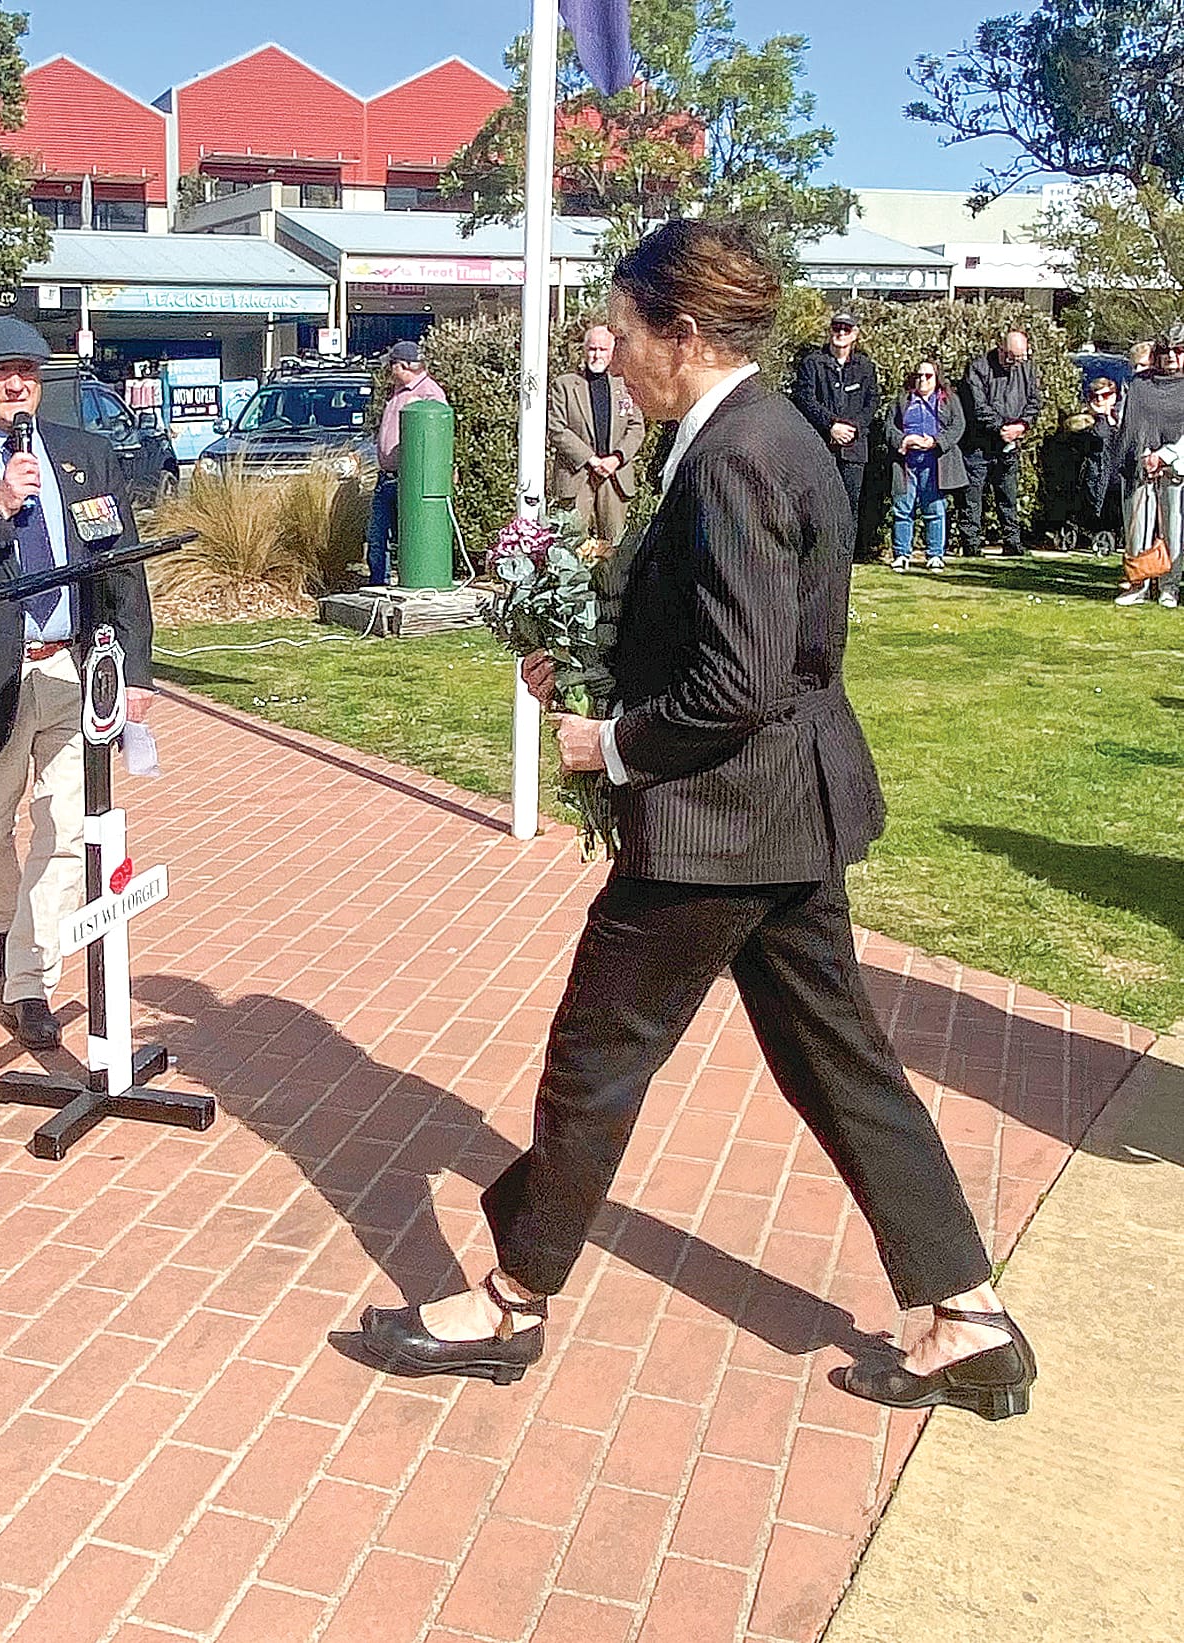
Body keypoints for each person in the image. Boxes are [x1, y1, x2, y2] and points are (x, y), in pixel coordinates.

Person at [356, 219, 1037, 1422]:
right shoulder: (753, 436)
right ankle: (966, 1314)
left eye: (621, 330)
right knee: (843, 1063)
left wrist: (609, 743)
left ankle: (511, 1300)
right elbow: (731, 639)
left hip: (718, 827)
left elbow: (738, 683)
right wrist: (595, 660)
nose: (608, 354)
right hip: (784, 814)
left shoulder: (733, 456)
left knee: (594, 1059)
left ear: (682, 330)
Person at [0, 316, 155, 1050]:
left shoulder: (86, 455)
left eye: (29, 372)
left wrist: (135, 671)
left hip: (74, 673)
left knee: (65, 831)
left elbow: (121, 570)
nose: (17, 384)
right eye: (1, 371)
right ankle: (1, 920)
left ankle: (29, 981)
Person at [547, 323, 647, 541]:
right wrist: (591, 459)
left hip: (615, 477)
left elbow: (636, 427)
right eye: (592, 349)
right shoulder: (564, 385)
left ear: (613, 351)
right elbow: (556, 429)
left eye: (602, 349)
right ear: (584, 350)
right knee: (570, 546)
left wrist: (616, 458)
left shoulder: (627, 385)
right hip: (577, 476)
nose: (597, 355)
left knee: (614, 548)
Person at [791, 310, 881, 555]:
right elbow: (805, 398)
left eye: (846, 329)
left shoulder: (865, 366)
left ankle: (844, 557)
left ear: (855, 334)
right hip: (822, 446)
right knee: (819, 504)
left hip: (853, 450)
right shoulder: (813, 363)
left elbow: (872, 402)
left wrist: (852, 429)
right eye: (836, 328)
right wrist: (831, 425)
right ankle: (818, 555)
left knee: (849, 505)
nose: (840, 333)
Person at [365, 340, 447, 586]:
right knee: (377, 536)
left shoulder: (430, 394)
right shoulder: (400, 392)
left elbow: (434, 438)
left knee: (407, 535)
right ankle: (378, 583)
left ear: (402, 366)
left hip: (407, 478)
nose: (390, 372)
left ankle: (409, 582)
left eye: (392, 366)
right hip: (386, 477)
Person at [1115, 323, 1184, 607]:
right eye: (1165, 350)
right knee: (1137, 528)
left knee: (1174, 529)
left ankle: (1169, 586)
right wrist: (1144, 455)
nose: (1170, 356)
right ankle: (1137, 584)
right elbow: (1132, 425)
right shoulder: (1142, 385)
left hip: (1176, 468)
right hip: (1141, 466)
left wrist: (1166, 456)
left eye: (1177, 350)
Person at [959, 329, 1041, 557]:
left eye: (1021, 357)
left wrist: (1022, 425)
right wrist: (1001, 428)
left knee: (1008, 495)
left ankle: (1012, 542)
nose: (1016, 363)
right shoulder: (978, 368)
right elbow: (978, 406)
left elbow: (1035, 401)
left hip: (1010, 444)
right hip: (979, 444)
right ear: (1001, 349)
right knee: (972, 497)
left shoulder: (1027, 368)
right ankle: (971, 545)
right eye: (1013, 357)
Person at [888, 359, 966, 572]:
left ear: (937, 378)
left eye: (928, 376)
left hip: (935, 462)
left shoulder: (948, 400)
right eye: (919, 375)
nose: (922, 379)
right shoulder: (902, 400)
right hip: (906, 463)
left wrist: (936, 442)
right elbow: (889, 428)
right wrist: (904, 440)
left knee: (935, 508)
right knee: (903, 509)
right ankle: (902, 554)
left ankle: (935, 555)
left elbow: (958, 426)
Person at [1078, 376, 1124, 551]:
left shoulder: (1120, 419)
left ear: (1113, 397)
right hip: (1097, 475)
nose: (1099, 400)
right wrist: (1101, 416)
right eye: (1094, 396)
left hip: (1117, 475)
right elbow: (1099, 435)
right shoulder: (1088, 421)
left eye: (1104, 396)